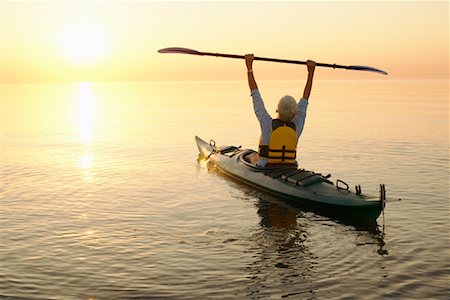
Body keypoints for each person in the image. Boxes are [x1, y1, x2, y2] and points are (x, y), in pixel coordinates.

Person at [245, 54, 316, 167]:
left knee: (253, 156)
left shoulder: (267, 124)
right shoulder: (298, 124)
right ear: (296, 112)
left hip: (266, 167)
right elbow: (305, 98)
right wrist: (311, 72)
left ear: (277, 110)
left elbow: (255, 94)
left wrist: (249, 67)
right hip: (290, 166)